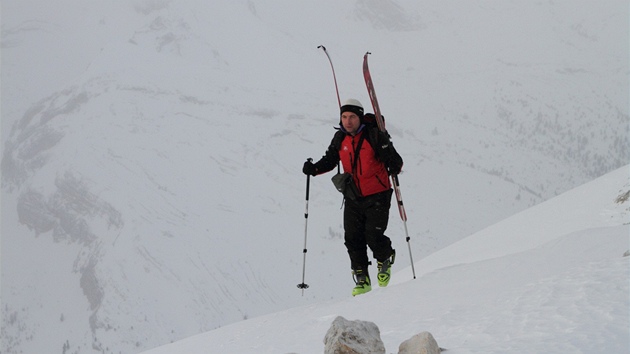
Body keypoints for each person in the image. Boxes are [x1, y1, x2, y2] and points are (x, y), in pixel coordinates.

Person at [302, 98, 403, 296]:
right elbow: (330, 160)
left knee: (373, 235)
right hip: (353, 196)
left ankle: (385, 258)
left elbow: (396, 163)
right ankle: (362, 277)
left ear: (360, 118)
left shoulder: (374, 136)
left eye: (352, 117)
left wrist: (389, 156)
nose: (348, 121)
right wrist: (313, 169)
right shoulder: (340, 138)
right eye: (344, 117)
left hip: (378, 194)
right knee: (352, 238)